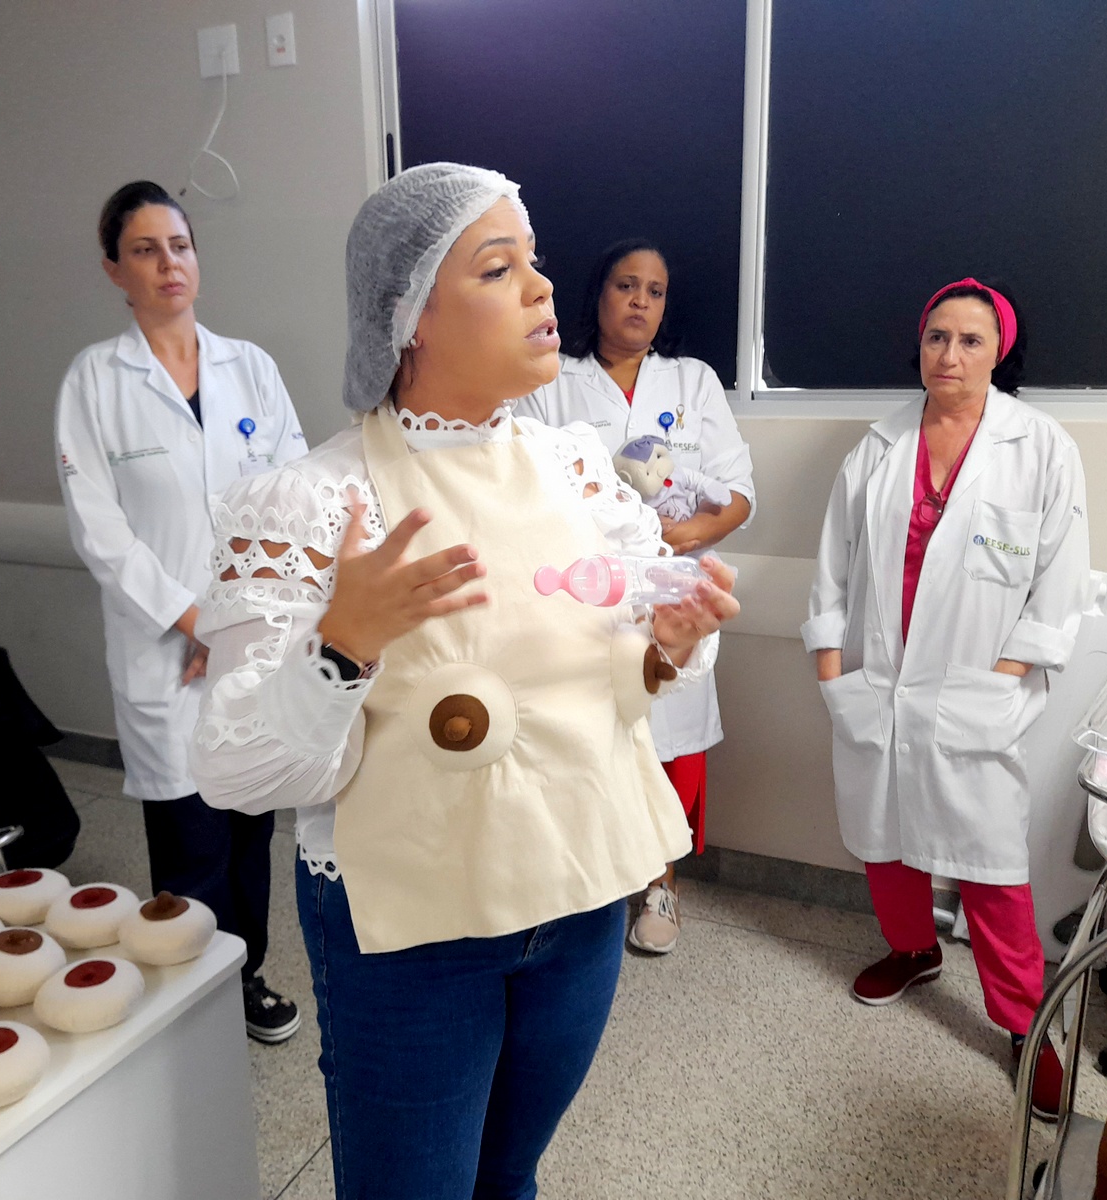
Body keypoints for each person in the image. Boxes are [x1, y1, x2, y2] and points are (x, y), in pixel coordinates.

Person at [188, 163, 739, 1199]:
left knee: (510, 1177)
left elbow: (606, 675)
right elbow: (232, 769)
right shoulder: (313, 500)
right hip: (409, 939)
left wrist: (666, 644)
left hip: (579, 904)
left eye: (533, 261)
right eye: (499, 268)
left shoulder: (578, 473)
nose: (541, 288)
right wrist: (342, 644)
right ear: (411, 318)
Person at [802, 278, 1090, 1120]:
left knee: (992, 861)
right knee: (885, 842)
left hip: (976, 687)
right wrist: (829, 666)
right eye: (936, 337)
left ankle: (1022, 1023)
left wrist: (1007, 680)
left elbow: (1060, 580)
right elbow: (834, 558)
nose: (949, 355)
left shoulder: (1039, 447)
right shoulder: (879, 445)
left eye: (969, 339)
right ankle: (914, 950)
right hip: (879, 684)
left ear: (999, 350)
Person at [55, 180, 307, 1043]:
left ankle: (249, 977)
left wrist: (238, 616)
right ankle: (197, 997)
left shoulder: (252, 368)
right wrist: (195, 621)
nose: (170, 264)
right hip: (167, 647)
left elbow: (294, 497)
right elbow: (99, 528)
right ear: (114, 270)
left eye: (182, 245)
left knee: (249, 829)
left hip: (252, 638)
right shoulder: (96, 381)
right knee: (191, 838)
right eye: (146, 249)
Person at [518, 239, 755, 954]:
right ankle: (578, 882)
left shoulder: (692, 382)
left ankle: (661, 886)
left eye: (654, 290)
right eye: (626, 285)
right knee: (581, 732)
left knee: (671, 743)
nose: (641, 301)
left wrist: (679, 536)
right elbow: (520, 478)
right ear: (598, 294)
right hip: (578, 589)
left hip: (671, 584)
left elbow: (740, 494)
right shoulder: (552, 379)